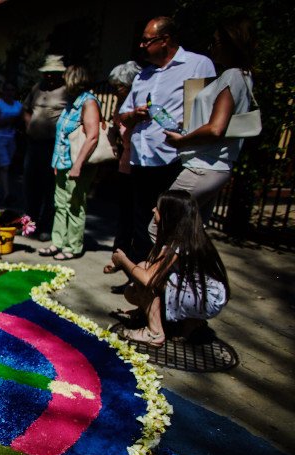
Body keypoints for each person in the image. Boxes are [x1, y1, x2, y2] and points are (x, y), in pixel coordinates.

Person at [119, 16, 215, 263]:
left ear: (165, 40)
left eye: (146, 40)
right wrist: (133, 114)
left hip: (173, 159)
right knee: (141, 224)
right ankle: (140, 281)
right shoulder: (143, 76)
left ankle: (164, 282)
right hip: (142, 159)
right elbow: (122, 114)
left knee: (170, 224)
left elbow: (206, 110)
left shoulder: (197, 65)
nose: (141, 46)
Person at [161, 16, 256, 227]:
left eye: (215, 42)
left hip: (203, 167)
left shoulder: (232, 76)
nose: (211, 48)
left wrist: (182, 141)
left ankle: (144, 262)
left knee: (161, 225)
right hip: (214, 167)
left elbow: (215, 128)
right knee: (190, 234)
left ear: (230, 44)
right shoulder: (244, 76)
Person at [111, 190, 229, 346]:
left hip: (201, 297)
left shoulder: (176, 245)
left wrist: (123, 260)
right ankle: (191, 324)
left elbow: (148, 278)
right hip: (210, 296)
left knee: (142, 274)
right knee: (134, 288)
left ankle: (154, 333)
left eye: (158, 208)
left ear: (170, 214)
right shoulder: (191, 237)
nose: (153, 210)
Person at [37, 65, 102, 260]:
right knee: (60, 203)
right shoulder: (71, 102)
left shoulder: (88, 103)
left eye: (65, 79)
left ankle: (72, 246)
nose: (62, 83)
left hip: (77, 164)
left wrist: (78, 165)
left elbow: (92, 137)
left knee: (75, 204)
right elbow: (63, 136)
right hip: (62, 162)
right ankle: (58, 242)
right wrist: (57, 162)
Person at [23, 55, 69, 241]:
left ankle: (46, 226)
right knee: (30, 186)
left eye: (53, 73)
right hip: (33, 144)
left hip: (53, 145)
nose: (49, 76)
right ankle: (30, 223)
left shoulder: (66, 91)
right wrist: (28, 126)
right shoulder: (37, 87)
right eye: (47, 73)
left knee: (50, 188)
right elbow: (26, 108)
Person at [103, 61, 142, 276]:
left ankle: (135, 271)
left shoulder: (139, 107)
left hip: (139, 166)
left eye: (120, 86)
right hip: (124, 165)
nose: (116, 90)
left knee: (138, 221)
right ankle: (120, 259)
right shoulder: (121, 106)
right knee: (124, 218)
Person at [0, 81, 22, 201]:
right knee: (5, 165)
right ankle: (7, 194)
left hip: (11, 137)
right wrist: (8, 120)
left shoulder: (18, 105)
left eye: (12, 90)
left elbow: (21, 122)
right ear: (3, 91)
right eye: (7, 90)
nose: (9, 93)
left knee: (1, 165)